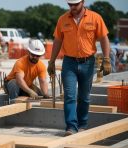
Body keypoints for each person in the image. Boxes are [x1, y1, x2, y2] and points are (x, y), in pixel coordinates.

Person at [47, 0, 111, 136]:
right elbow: (58, 40)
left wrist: (106, 59)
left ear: (83, 2)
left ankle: (82, 125)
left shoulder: (95, 18)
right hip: (69, 63)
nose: (73, 7)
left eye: (75, 4)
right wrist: (51, 61)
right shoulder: (63, 19)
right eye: (70, 5)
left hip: (88, 63)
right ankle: (71, 127)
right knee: (70, 96)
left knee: (84, 97)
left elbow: (104, 38)